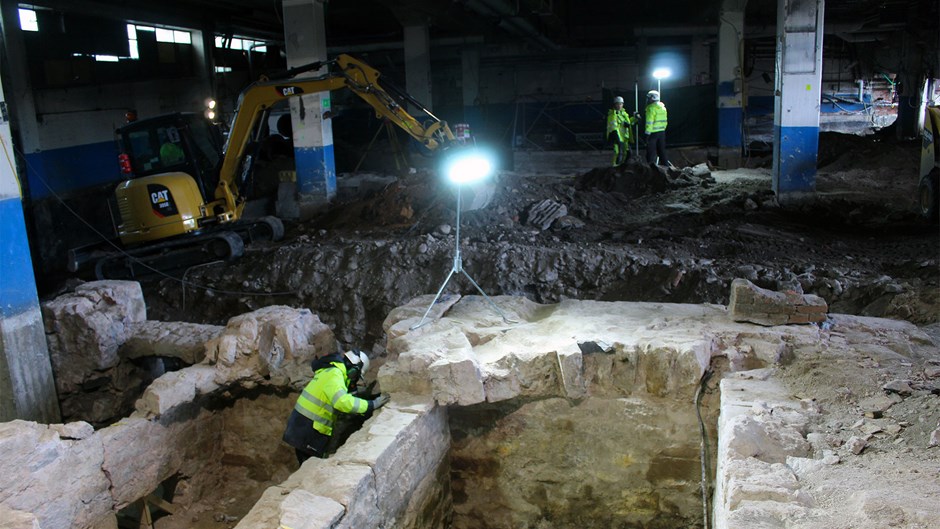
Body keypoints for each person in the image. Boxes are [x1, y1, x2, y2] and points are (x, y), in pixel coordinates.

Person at [282, 349, 389, 464]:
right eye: (357, 375)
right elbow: (341, 401)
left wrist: (352, 386)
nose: (355, 379)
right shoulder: (335, 374)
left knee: (309, 463)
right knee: (313, 465)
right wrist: (371, 405)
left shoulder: (330, 371)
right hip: (308, 429)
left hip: (302, 425)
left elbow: (343, 395)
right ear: (354, 369)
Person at [606, 96, 637, 166]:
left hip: (625, 137)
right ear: (615, 104)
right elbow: (613, 126)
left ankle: (622, 167)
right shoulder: (612, 114)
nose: (619, 105)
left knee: (626, 153)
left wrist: (635, 118)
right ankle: (614, 166)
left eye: (621, 104)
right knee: (617, 152)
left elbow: (628, 123)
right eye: (618, 104)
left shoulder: (624, 113)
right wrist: (616, 137)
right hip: (617, 137)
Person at [644, 90, 669, 167]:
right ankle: (666, 168)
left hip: (652, 133)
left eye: (649, 98)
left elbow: (649, 122)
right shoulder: (662, 107)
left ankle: (651, 170)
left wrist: (647, 134)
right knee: (662, 152)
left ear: (652, 98)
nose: (648, 100)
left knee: (650, 153)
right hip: (662, 132)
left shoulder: (650, 108)